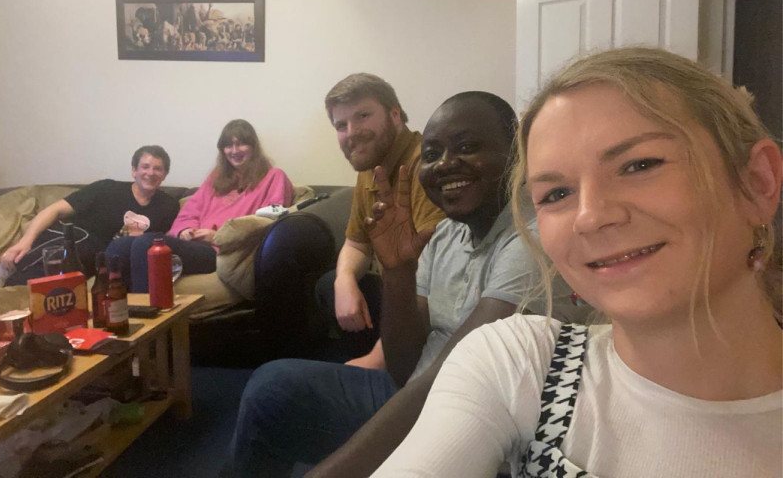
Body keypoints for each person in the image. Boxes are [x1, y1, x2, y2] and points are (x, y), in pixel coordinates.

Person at [372, 47, 783, 478]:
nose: (589, 217)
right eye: (556, 194)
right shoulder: (521, 365)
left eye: (639, 164)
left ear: (758, 182)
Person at [224, 92, 586, 477]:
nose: (445, 164)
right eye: (431, 153)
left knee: (279, 399)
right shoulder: (446, 234)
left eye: (466, 147)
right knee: (273, 386)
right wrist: (398, 271)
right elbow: (404, 368)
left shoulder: (532, 238)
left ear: (517, 153)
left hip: (473, 426)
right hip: (417, 392)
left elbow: (457, 377)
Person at [316, 73, 445, 368]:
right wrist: (344, 280)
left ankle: (387, 375)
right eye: (341, 125)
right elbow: (356, 243)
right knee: (330, 284)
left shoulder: (425, 165)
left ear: (395, 114)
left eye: (362, 116)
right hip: (399, 288)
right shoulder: (370, 167)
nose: (352, 132)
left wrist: (376, 359)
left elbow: (436, 280)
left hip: (429, 302)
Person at [106, 119, 293, 292]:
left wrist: (218, 237)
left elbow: (269, 222)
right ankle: (116, 314)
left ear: (253, 147)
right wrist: (184, 231)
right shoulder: (216, 178)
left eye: (241, 143)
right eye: (228, 145)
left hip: (221, 252)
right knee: (121, 246)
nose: (234, 150)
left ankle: (146, 317)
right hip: (195, 245)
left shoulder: (274, 176)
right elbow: (189, 212)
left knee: (148, 243)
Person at [0, 145, 179, 286]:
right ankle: (6, 282)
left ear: (164, 175)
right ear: (134, 170)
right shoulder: (106, 189)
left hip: (96, 260)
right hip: (66, 241)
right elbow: (53, 210)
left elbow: (167, 239)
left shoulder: (169, 206)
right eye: (145, 167)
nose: (150, 173)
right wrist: (25, 241)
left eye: (157, 169)